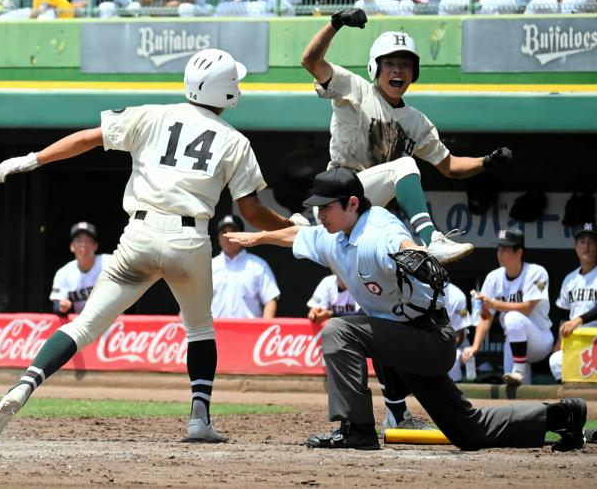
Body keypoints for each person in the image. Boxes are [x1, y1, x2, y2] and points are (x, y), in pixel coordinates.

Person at [0, 48, 305, 442]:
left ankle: (22, 387)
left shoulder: (152, 113)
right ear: (228, 91)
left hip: (140, 234)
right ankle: (199, 419)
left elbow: (87, 138)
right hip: (189, 238)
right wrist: (290, 226)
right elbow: (252, 211)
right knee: (199, 328)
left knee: (83, 326)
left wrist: (32, 159)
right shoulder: (235, 141)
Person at [225, 167, 587, 452]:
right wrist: (257, 238)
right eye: (317, 207)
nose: (319, 214)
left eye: (326, 206)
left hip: (429, 336)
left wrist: (416, 252)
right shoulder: (334, 233)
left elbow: (398, 239)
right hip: (401, 341)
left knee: (339, 330)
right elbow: (296, 235)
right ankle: (561, 414)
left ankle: (357, 429)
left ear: (353, 203)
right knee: (470, 431)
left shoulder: (377, 228)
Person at [300, 9, 514, 264]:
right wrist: (335, 24)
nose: (397, 71)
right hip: (337, 198)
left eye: (405, 65)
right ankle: (432, 238)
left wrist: (487, 162)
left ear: (414, 73)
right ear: (375, 67)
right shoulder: (355, 88)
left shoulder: (417, 121)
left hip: (369, 212)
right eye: (389, 63)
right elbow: (310, 61)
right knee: (404, 166)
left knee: (411, 269)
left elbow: (450, 166)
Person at [307, 272, 433, 432]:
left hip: (360, 335)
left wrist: (331, 314)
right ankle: (359, 424)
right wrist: (315, 314)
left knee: (381, 338)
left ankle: (395, 414)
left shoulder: (359, 279)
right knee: (366, 337)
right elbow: (317, 311)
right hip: (344, 338)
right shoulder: (329, 282)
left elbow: (365, 315)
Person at [462, 228, 554, 386]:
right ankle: (520, 378)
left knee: (512, 317)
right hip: (514, 340)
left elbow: (527, 308)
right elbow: (486, 316)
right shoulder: (493, 277)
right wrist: (475, 347)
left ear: (519, 253)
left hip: (539, 339)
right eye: (498, 249)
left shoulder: (537, 272)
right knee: (513, 387)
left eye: (505, 249)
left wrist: (494, 303)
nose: (500, 253)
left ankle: (519, 370)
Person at [549, 222, 597, 382]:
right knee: (555, 360)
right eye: (582, 242)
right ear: (576, 247)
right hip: (576, 341)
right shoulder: (570, 279)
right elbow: (564, 314)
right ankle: (572, 400)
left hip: (595, 340)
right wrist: (559, 342)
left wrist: (578, 320)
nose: (587, 246)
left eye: (591, 242)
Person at [211, 214, 280, 319]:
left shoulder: (258, 265)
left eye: (233, 232)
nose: (228, 236)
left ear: (243, 235)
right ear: (218, 238)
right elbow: (195, 300)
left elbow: (270, 300)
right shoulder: (209, 266)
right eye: (223, 232)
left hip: (250, 333)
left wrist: (264, 327)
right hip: (214, 331)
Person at [49, 222, 112, 316]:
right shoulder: (64, 272)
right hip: (84, 326)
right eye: (78, 240)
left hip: (115, 323)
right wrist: (62, 307)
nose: (83, 244)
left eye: (88, 240)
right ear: (72, 246)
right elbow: (57, 305)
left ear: (95, 246)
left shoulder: (110, 262)